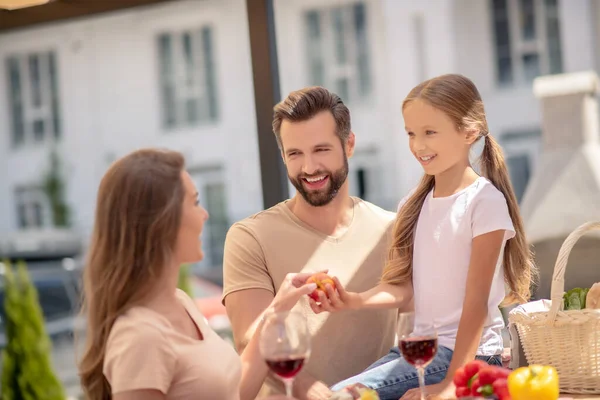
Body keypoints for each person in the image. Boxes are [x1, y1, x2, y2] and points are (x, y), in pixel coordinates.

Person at [315, 74, 536, 400]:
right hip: (420, 352)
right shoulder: (413, 204)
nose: (418, 145)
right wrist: (353, 300)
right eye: (411, 133)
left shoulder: (483, 202)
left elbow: (476, 303)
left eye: (430, 132)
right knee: (337, 394)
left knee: (338, 396)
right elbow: (407, 289)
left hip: (469, 357)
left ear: (469, 132)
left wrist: (449, 386)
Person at [77, 148, 317, 400]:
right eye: (195, 202)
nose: (205, 214)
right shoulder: (140, 336)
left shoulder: (181, 302)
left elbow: (231, 393)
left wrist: (278, 308)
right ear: (162, 221)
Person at [222, 87, 399, 400]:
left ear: (349, 144)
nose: (309, 168)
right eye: (295, 154)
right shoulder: (249, 237)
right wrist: (315, 392)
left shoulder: (391, 228)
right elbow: (247, 341)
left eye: (321, 150)